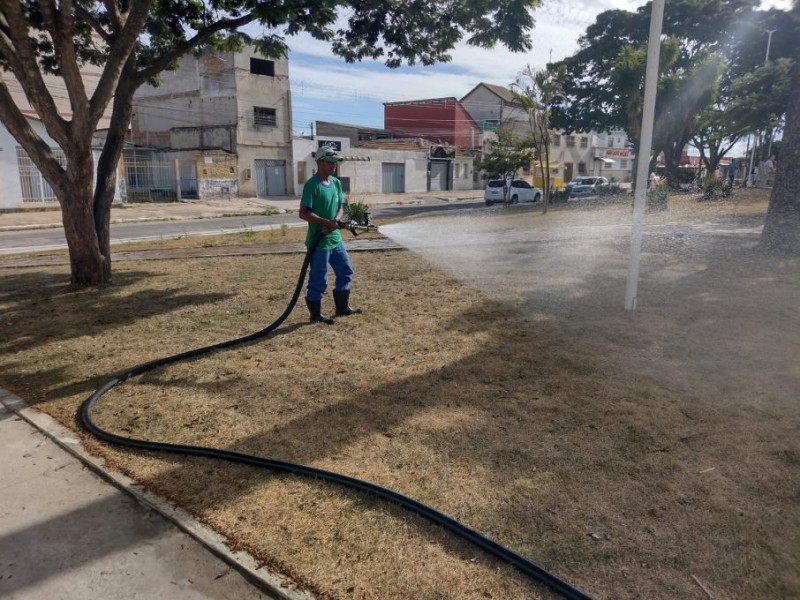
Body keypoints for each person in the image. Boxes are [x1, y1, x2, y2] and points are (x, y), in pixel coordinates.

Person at [299, 145, 362, 324]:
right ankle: (316, 315)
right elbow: (303, 213)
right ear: (319, 162)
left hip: (335, 239)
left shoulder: (336, 183)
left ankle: (342, 308)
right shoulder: (312, 185)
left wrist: (335, 220)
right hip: (318, 242)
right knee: (319, 279)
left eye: (334, 162)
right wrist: (325, 223)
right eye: (329, 161)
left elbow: (342, 206)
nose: (333, 165)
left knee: (345, 271)